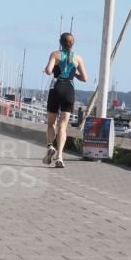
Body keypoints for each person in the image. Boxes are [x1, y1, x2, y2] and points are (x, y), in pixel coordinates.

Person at [42, 32, 88, 168]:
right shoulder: (78, 58)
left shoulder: (55, 55)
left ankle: (50, 146)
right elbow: (85, 78)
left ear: (60, 42)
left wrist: (47, 69)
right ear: (72, 44)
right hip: (69, 90)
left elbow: (49, 70)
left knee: (51, 124)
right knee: (63, 126)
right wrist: (74, 74)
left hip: (56, 88)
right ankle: (60, 157)